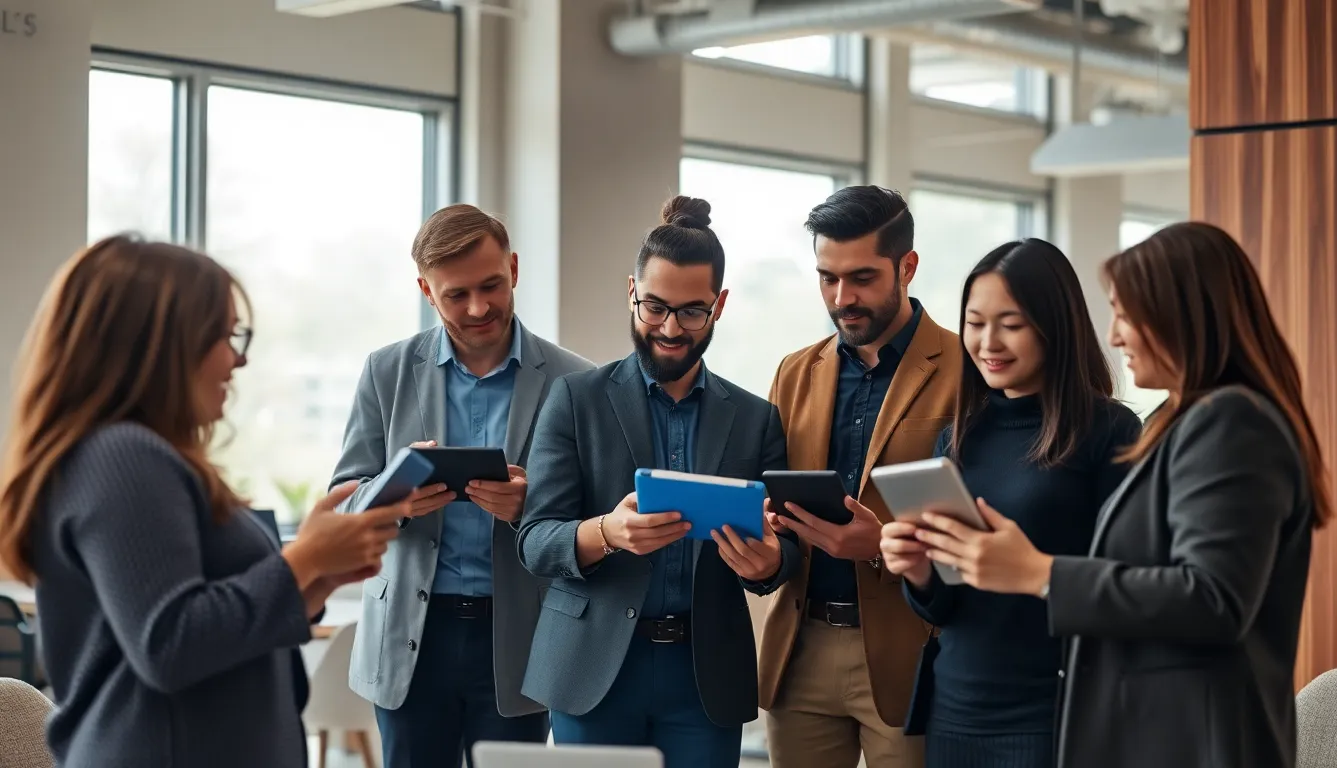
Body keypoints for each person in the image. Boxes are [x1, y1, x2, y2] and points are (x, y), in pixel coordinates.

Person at [909, 221, 1330, 768]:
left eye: (1129, 315)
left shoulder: (1228, 422)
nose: (1114, 335)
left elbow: (1214, 600)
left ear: (1186, 316)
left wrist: (1039, 572)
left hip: (1187, 732)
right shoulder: (1185, 421)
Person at [0, 236, 409, 768]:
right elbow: (169, 643)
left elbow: (188, 625)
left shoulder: (137, 456)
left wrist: (317, 576)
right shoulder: (124, 455)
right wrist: (304, 559)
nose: (238, 359)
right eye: (225, 335)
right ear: (162, 345)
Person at [515, 196, 799, 768]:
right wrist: (606, 532)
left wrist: (768, 564)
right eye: (655, 307)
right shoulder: (575, 400)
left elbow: (786, 549)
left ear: (719, 305)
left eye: (692, 311)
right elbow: (534, 540)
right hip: (590, 667)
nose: (670, 328)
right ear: (632, 292)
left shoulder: (755, 418)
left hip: (705, 674)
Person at [329, 204, 593, 768]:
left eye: (492, 286)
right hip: (408, 637)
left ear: (515, 269)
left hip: (521, 633)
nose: (479, 308)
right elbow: (342, 502)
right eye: (456, 295)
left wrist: (531, 508)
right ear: (427, 290)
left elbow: (596, 520)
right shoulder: (385, 371)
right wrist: (390, 497)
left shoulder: (575, 381)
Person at [878, 238, 1141, 767]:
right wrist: (919, 571)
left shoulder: (1109, 431)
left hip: (1053, 711)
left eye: (1011, 324)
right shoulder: (957, 439)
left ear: (1054, 325)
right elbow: (947, 604)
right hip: (954, 708)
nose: (988, 342)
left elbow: (1125, 583)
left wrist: (1032, 567)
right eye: (975, 323)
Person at [757, 185, 960, 768]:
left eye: (863, 278)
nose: (842, 298)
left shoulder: (966, 370)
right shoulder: (795, 372)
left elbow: (983, 522)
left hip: (913, 651)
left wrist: (880, 546)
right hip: (801, 650)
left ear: (908, 267)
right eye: (827, 277)